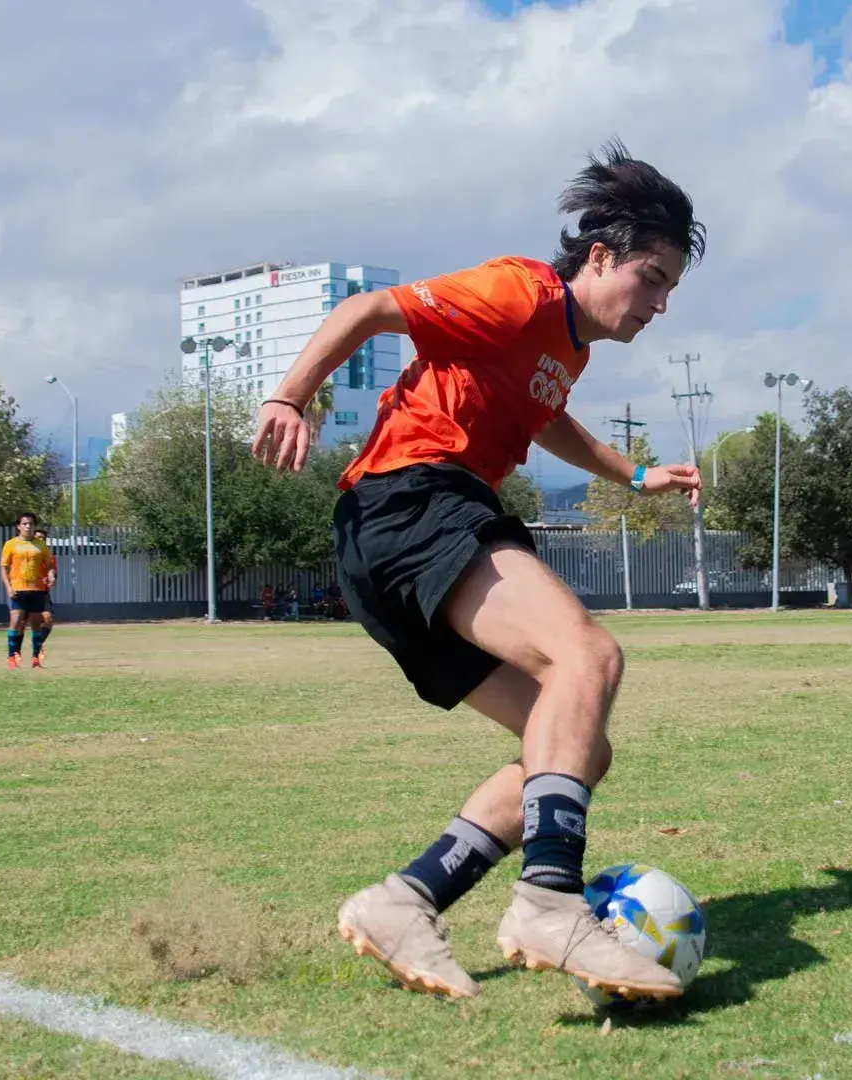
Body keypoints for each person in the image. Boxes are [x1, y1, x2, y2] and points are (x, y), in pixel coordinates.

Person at [250, 141, 705, 1000]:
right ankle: (548, 902)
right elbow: (373, 308)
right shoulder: (519, 291)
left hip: (395, 538)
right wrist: (288, 394)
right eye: (651, 277)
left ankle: (405, 900)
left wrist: (637, 474)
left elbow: (548, 415)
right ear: (599, 256)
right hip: (410, 499)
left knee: (573, 745)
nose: (659, 303)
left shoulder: (567, 347)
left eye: (671, 288)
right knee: (590, 659)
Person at [0, 514, 57, 669]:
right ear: (19, 526)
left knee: (36, 624)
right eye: (24, 523)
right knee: (16, 621)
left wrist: (51, 574)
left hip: (37, 589)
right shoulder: (11, 544)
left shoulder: (40, 545)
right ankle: (12, 657)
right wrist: (8, 587)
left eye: (31, 524)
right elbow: (4, 568)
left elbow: (50, 564)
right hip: (18, 588)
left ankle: (35, 659)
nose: (28, 526)